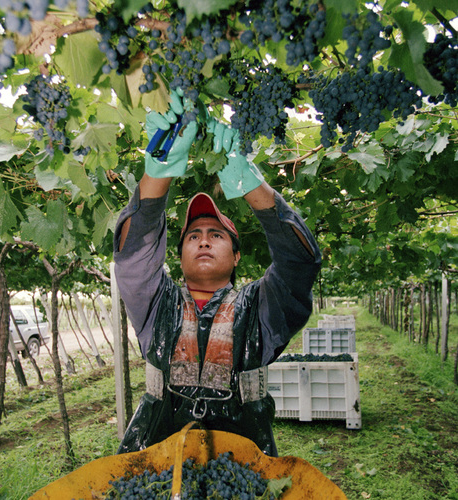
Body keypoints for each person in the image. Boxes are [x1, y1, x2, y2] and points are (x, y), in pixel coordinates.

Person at [113, 90, 321, 457]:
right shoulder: (155, 303)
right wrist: (156, 173)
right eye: (193, 236)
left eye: (216, 235)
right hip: (154, 455)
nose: (203, 241)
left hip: (244, 459)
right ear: (178, 257)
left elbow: (299, 263)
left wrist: (255, 189)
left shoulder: (262, 307)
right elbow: (132, 255)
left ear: (237, 256)